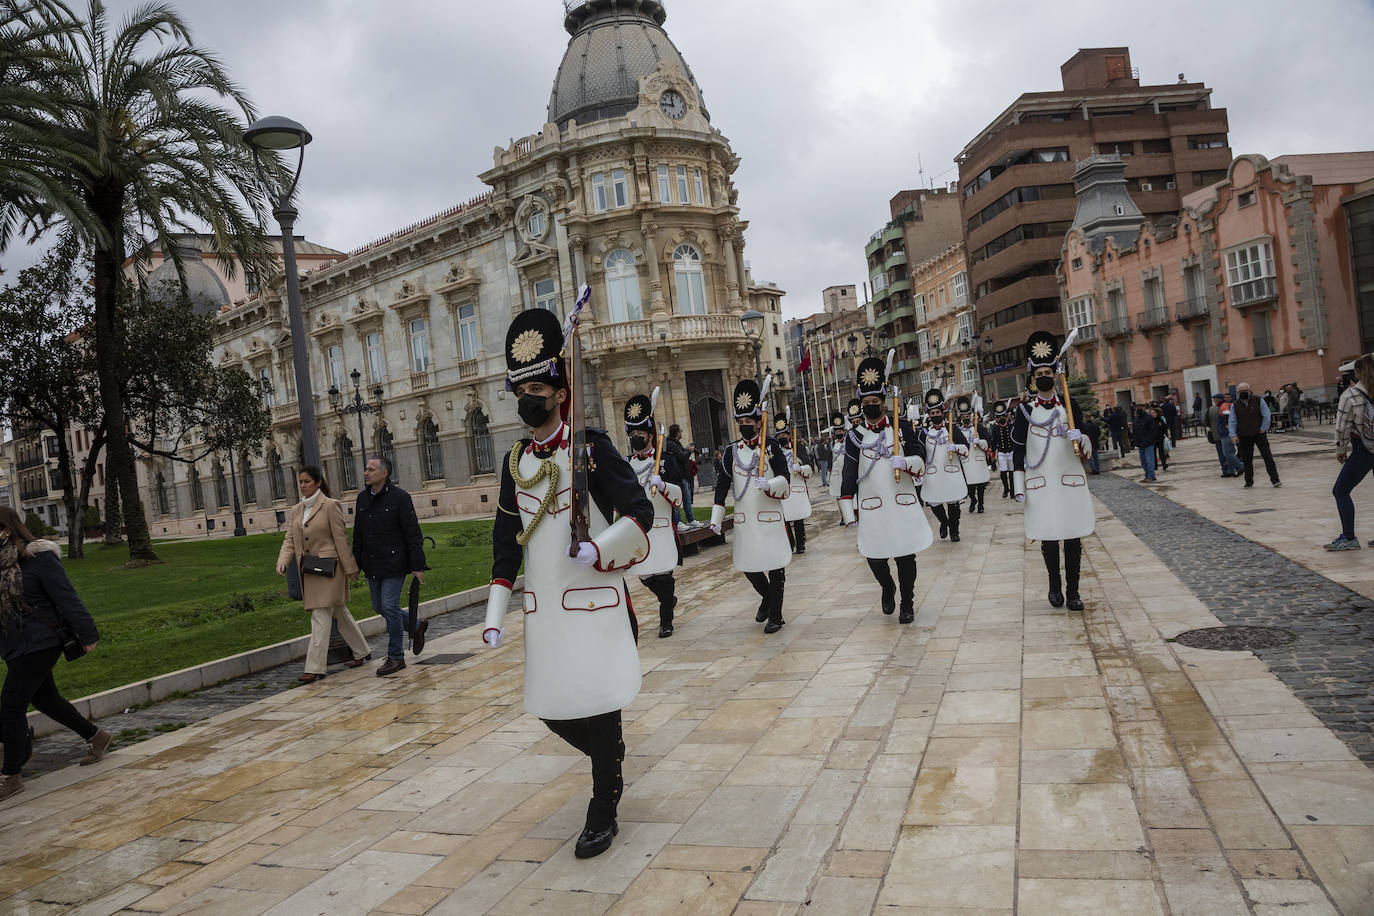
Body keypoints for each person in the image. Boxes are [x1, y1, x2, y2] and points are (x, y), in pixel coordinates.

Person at [483, 307, 653, 860]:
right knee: (553, 707)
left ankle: (603, 805)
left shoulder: (590, 448)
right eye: (521, 387)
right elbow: (506, 542)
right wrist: (493, 613)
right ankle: (612, 756)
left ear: (560, 392)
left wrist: (598, 547)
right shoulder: (514, 461)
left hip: (596, 603)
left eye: (538, 386)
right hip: (545, 614)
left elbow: (638, 512)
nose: (529, 396)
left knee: (601, 703)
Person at [0, 507, 109, 800]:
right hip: (14, 646)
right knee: (45, 699)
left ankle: (11, 774)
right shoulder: (1, 565)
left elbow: (67, 596)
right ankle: (96, 736)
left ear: (6, 530)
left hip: (41, 641)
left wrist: (87, 633)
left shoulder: (39, 559)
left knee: (10, 705)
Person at [839, 357, 931, 623]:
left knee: (905, 555)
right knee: (875, 556)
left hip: (901, 502)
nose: (871, 407)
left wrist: (908, 461)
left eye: (875, 402)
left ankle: (908, 602)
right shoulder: (855, 435)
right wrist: (848, 511)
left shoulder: (901, 427)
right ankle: (887, 587)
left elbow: (921, 459)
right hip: (872, 505)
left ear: (883, 398)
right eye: (866, 403)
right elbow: (848, 474)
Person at [1011, 331, 1094, 611]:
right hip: (1040, 483)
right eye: (1039, 374)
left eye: (1049, 371)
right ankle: (1054, 585)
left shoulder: (1070, 407)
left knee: (1072, 536)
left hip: (1069, 481)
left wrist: (1080, 436)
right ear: (1033, 378)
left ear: (1056, 375)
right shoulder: (1024, 411)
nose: (1044, 377)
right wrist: (1018, 486)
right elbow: (1018, 451)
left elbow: (1087, 444)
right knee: (1048, 537)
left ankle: (1073, 592)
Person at [711, 378, 792, 633]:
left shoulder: (771, 446)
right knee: (749, 566)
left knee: (775, 566)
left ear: (759, 422)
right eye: (741, 423)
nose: (745, 426)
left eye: (749, 422)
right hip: (745, 519)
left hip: (769, 517)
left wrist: (770, 484)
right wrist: (716, 516)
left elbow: (785, 481)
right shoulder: (730, 451)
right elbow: (722, 485)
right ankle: (767, 597)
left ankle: (776, 615)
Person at [277, 467, 371, 683]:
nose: (303, 485)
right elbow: (289, 539)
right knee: (340, 612)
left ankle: (315, 667)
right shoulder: (297, 510)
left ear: (318, 482)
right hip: (309, 571)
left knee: (320, 616)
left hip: (330, 570)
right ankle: (362, 651)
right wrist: (282, 561)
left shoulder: (330, 506)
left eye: (307, 481)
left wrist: (351, 568)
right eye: (300, 482)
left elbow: (341, 539)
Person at [353, 455, 427, 677]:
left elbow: (412, 533)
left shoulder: (400, 498)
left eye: (371, 469)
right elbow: (358, 534)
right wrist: (355, 564)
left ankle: (396, 656)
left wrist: (418, 565)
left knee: (389, 606)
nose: (366, 473)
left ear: (384, 473)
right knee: (380, 607)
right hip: (372, 564)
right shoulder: (362, 499)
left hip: (395, 563)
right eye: (365, 469)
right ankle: (416, 624)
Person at [623, 395, 685, 636]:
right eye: (632, 434)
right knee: (644, 574)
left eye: (640, 433)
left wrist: (664, 486)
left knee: (663, 571)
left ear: (650, 435)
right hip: (640, 529)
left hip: (661, 525)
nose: (636, 437)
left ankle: (666, 619)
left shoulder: (666, 461)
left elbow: (680, 497)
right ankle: (668, 600)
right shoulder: (627, 464)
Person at [1325, 356, 1374, 550]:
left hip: (1364, 449)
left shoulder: (1350, 395)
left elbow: (1342, 426)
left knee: (1341, 490)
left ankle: (1349, 538)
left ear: (1357, 372)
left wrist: (1341, 450)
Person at [919, 388, 970, 542]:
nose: (935, 415)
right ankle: (943, 521)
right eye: (932, 413)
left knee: (953, 502)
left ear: (943, 412)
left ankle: (954, 530)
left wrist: (956, 447)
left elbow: (966, 449)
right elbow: (919, 453)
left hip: (950, 473)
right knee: (933, 502)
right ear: (929, 414)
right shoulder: (923, 433)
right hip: (933, 474)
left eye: (937, 412)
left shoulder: (952, 429)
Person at [1229, 382, 1281, 488]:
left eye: (1245, 391)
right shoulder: (1235, 405)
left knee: (1267, 457)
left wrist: (1263, 428)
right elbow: (1232, 421)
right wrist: (1233, 435)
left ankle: (1275, 480)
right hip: (1243, 435)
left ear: (1249, 391)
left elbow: (1266, 415)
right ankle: (1248, 481)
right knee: (1247, 460)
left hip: (1259, 434)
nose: (1243, 393)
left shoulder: (1259, 400)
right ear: (1238, 393)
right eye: (1241, 392)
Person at [773, 419, 813, 554]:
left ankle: (801, 543)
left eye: (784, 435)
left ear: (789, 435)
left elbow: (809, 466)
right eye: (778, 436)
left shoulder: (798, 447)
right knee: (786, 518)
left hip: (797, 488)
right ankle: (790, 543)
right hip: (784, 488)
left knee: (798, 517)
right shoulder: (774, 450)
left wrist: (800, 467)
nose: (781, 438)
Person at [955, 398, 991, 513]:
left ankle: (981, 504)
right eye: (963, 416)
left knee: (980, 485)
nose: (966, 418)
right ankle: (973, 500)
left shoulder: (978, 427)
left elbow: (988, 442)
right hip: (966, 461)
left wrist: (979, 442)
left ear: (970, 416)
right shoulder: (957, 431)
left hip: (978, 460)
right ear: (961, 418)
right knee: (969, 486)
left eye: (967, 416)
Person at [1206, 393, 1244, 478]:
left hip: (1226, 433)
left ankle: (1240, 466)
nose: (1214, 401)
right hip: (1227, 433)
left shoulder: (1223, 406)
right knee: (1229, 452)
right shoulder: (1227, 405)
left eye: (1215, 399)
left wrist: (1227, 426)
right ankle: (1231, 467)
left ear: (1219, 399)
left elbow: (1228, 416)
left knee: (1227, 453)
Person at [665, 424, 691, 526]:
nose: (681, 432)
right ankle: (678, 522)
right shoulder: (671, 444)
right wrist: (688, 451)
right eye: (680, 431)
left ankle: (690, 519)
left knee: (686, 499)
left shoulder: (675, 443)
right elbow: (681, 456)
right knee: (677, 500)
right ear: (677, 432)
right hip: (677, 476)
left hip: (681, 475)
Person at [991, 401, 1016, 497]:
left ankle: (1013, 490)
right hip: (1002, 452)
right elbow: (994, 443)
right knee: (1003, 472)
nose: (1002, 418)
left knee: (1011, 472)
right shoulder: (995, 429)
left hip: (1011, 451)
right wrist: (993, 456)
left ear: (1006, 416)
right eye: (999, 417)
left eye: (1003, 416)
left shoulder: (1011, 426)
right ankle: (1006, 488)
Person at [1133, 405, 1158, 481]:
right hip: (1140, 443)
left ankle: (1151, 476)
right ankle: (1147, 475)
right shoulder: (1137, 418)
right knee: (1143, 461)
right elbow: (1136, 431)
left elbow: (1153, 431)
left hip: (1148, 443)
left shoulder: (1148, 418)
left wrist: (1148, 440)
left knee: (1149, 460)